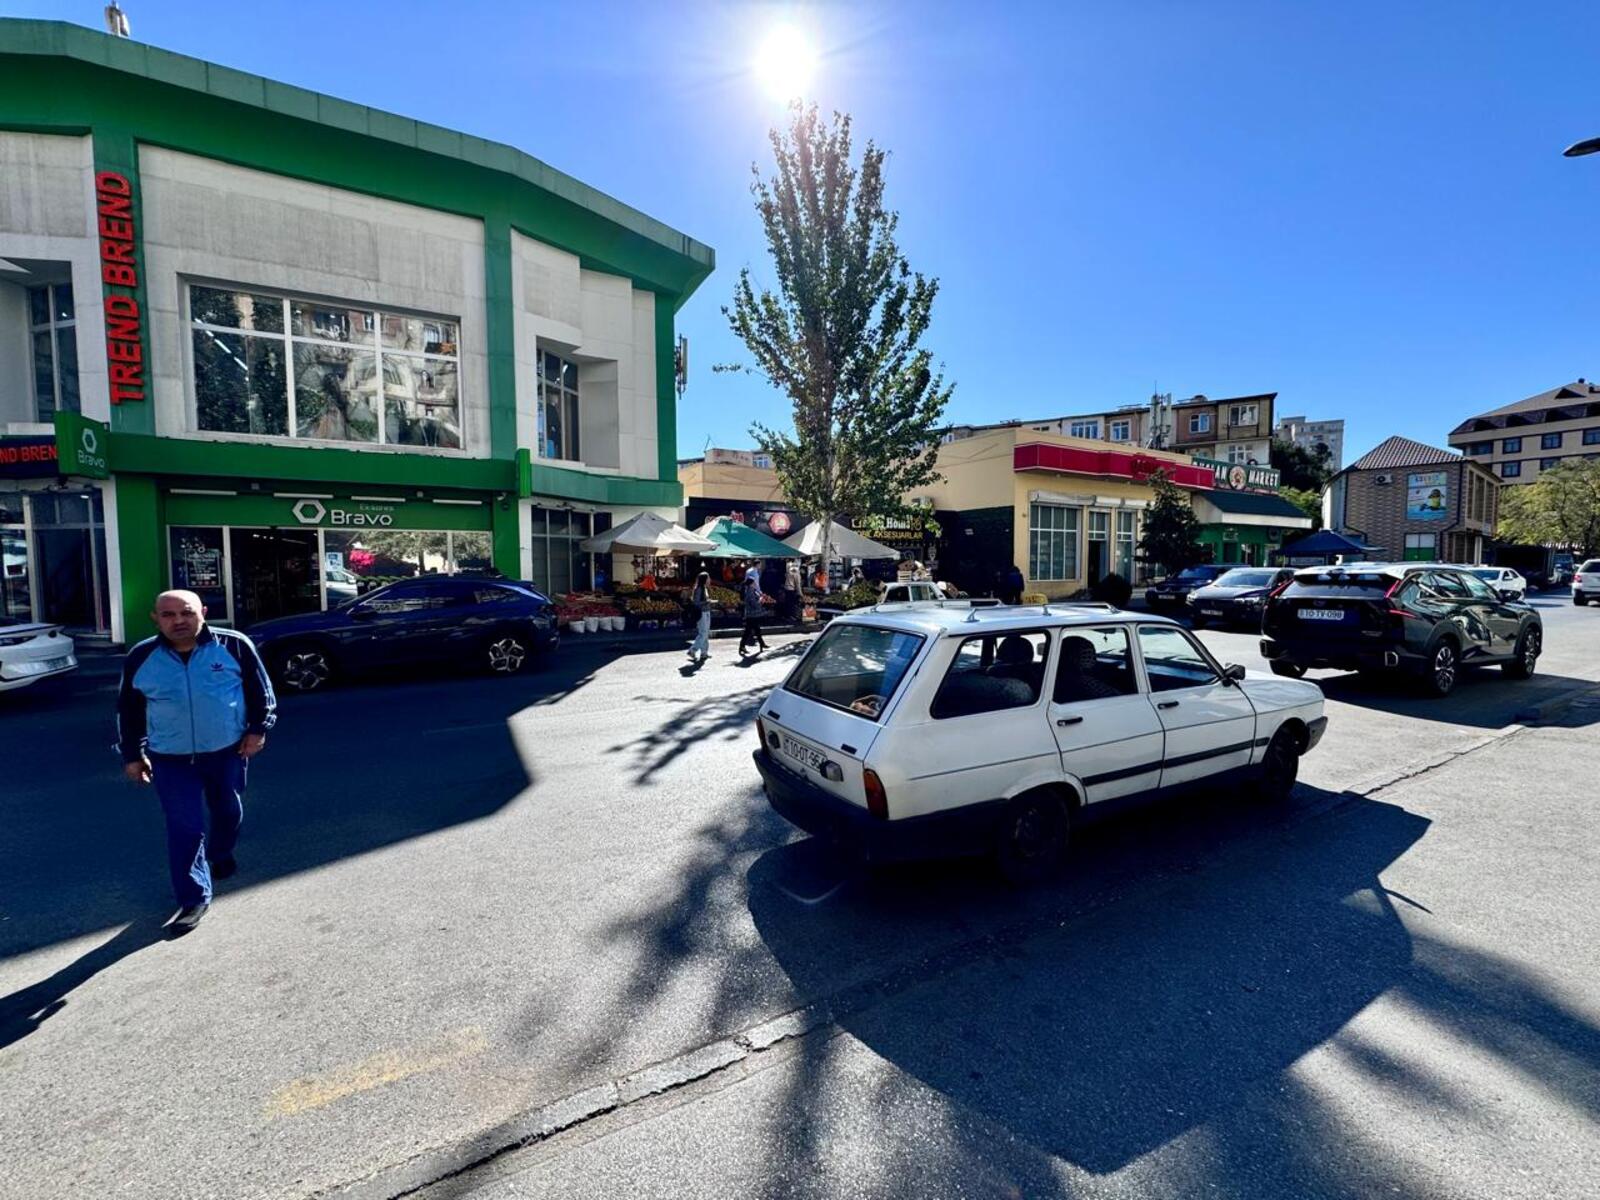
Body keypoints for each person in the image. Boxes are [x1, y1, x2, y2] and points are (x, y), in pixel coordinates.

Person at [116, 590, 276, 935]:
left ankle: (220, 852)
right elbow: (129, 710)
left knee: (227, 810)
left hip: (226, 750)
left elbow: (260, 692)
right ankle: (193, 897)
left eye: (186, 613)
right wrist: (132, 754)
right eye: (168, 614)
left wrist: (258, 730)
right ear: (155, 618)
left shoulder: (233, 645)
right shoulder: (142, 655)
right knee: (184, 827)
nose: (178, 621)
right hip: (169, 758)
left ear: (202, 612)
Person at [739, 567, 769, 656]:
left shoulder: (753, 591)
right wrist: (760, 600)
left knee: (756, 629)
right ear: (751, 583)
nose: (755, 583)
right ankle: (742, 646)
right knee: (748, 631)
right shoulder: (750, 592)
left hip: (753, 614)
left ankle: (761, 644)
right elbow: (754, 604)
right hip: (752, 614)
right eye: (754, 582)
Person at [687, 571, 713, 664]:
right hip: (701, 612)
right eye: (708, 578)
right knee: (703, 633)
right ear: (704, 579)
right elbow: (696, 602)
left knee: (706, 633)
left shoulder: (704, 588)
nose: (710, 580)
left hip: (706, 611)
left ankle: (704, 652)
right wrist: (707, 602)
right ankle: (692, 650)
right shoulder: (699, 589)